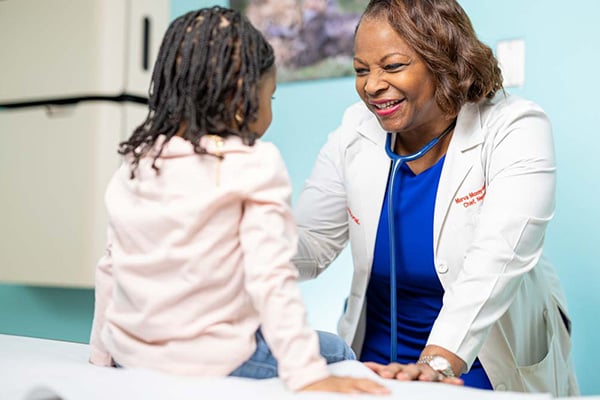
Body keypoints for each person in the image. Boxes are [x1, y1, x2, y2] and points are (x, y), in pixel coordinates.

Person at [88, 6, 389, 395]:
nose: (269, 112)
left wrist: (101, 354)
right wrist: (308, 374)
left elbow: (111, 265)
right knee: (337, 349)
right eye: (271, 98)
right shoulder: (254, 165)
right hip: (210, 359)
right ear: (241, 96)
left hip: (132, 351)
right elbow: (271, 279)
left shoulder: (137, 161)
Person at [292, 0, 579, 396]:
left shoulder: (513, 127)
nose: (371, 85)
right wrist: (234, 239)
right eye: (361, 70)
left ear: (443, 59)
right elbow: (312, 243)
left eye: (392, 67)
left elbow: (497, 259)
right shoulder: (355, 131)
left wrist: (435, 366)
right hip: (375, 362)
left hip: (477, 361)